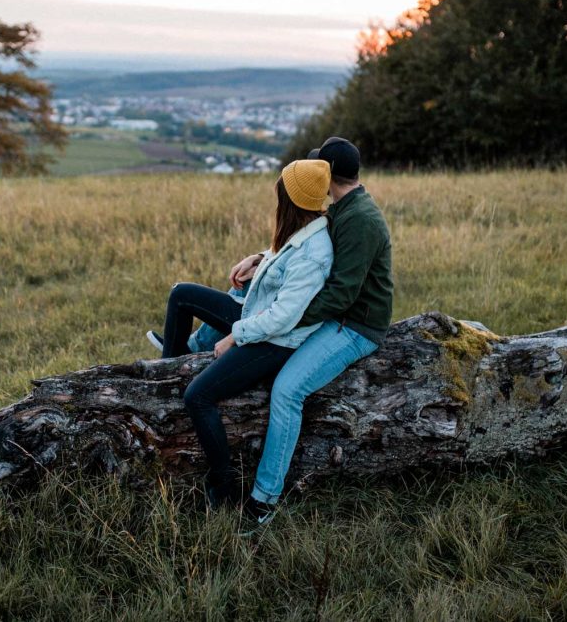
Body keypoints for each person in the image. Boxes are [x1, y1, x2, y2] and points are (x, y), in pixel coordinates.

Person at [148, 159, 335, 508]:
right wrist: (257, 260)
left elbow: (283, 318)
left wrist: (236, 335)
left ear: (290, 199)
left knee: (198, 396)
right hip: (256, 317)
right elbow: (281, 258)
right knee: (181, 294)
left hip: (275, 342)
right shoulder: (303, 228)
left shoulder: (314, 253)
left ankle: (223, 488)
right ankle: (168, 370)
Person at [230, 137, 394, 527]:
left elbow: (341, 296)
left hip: (354, 326)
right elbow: (300, 242)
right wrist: (260, 258)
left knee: (288, 390)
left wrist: (284, 319)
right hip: (332, 314)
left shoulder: (361, 221)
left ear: (329, 174)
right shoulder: (343, 207)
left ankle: (264, 501)